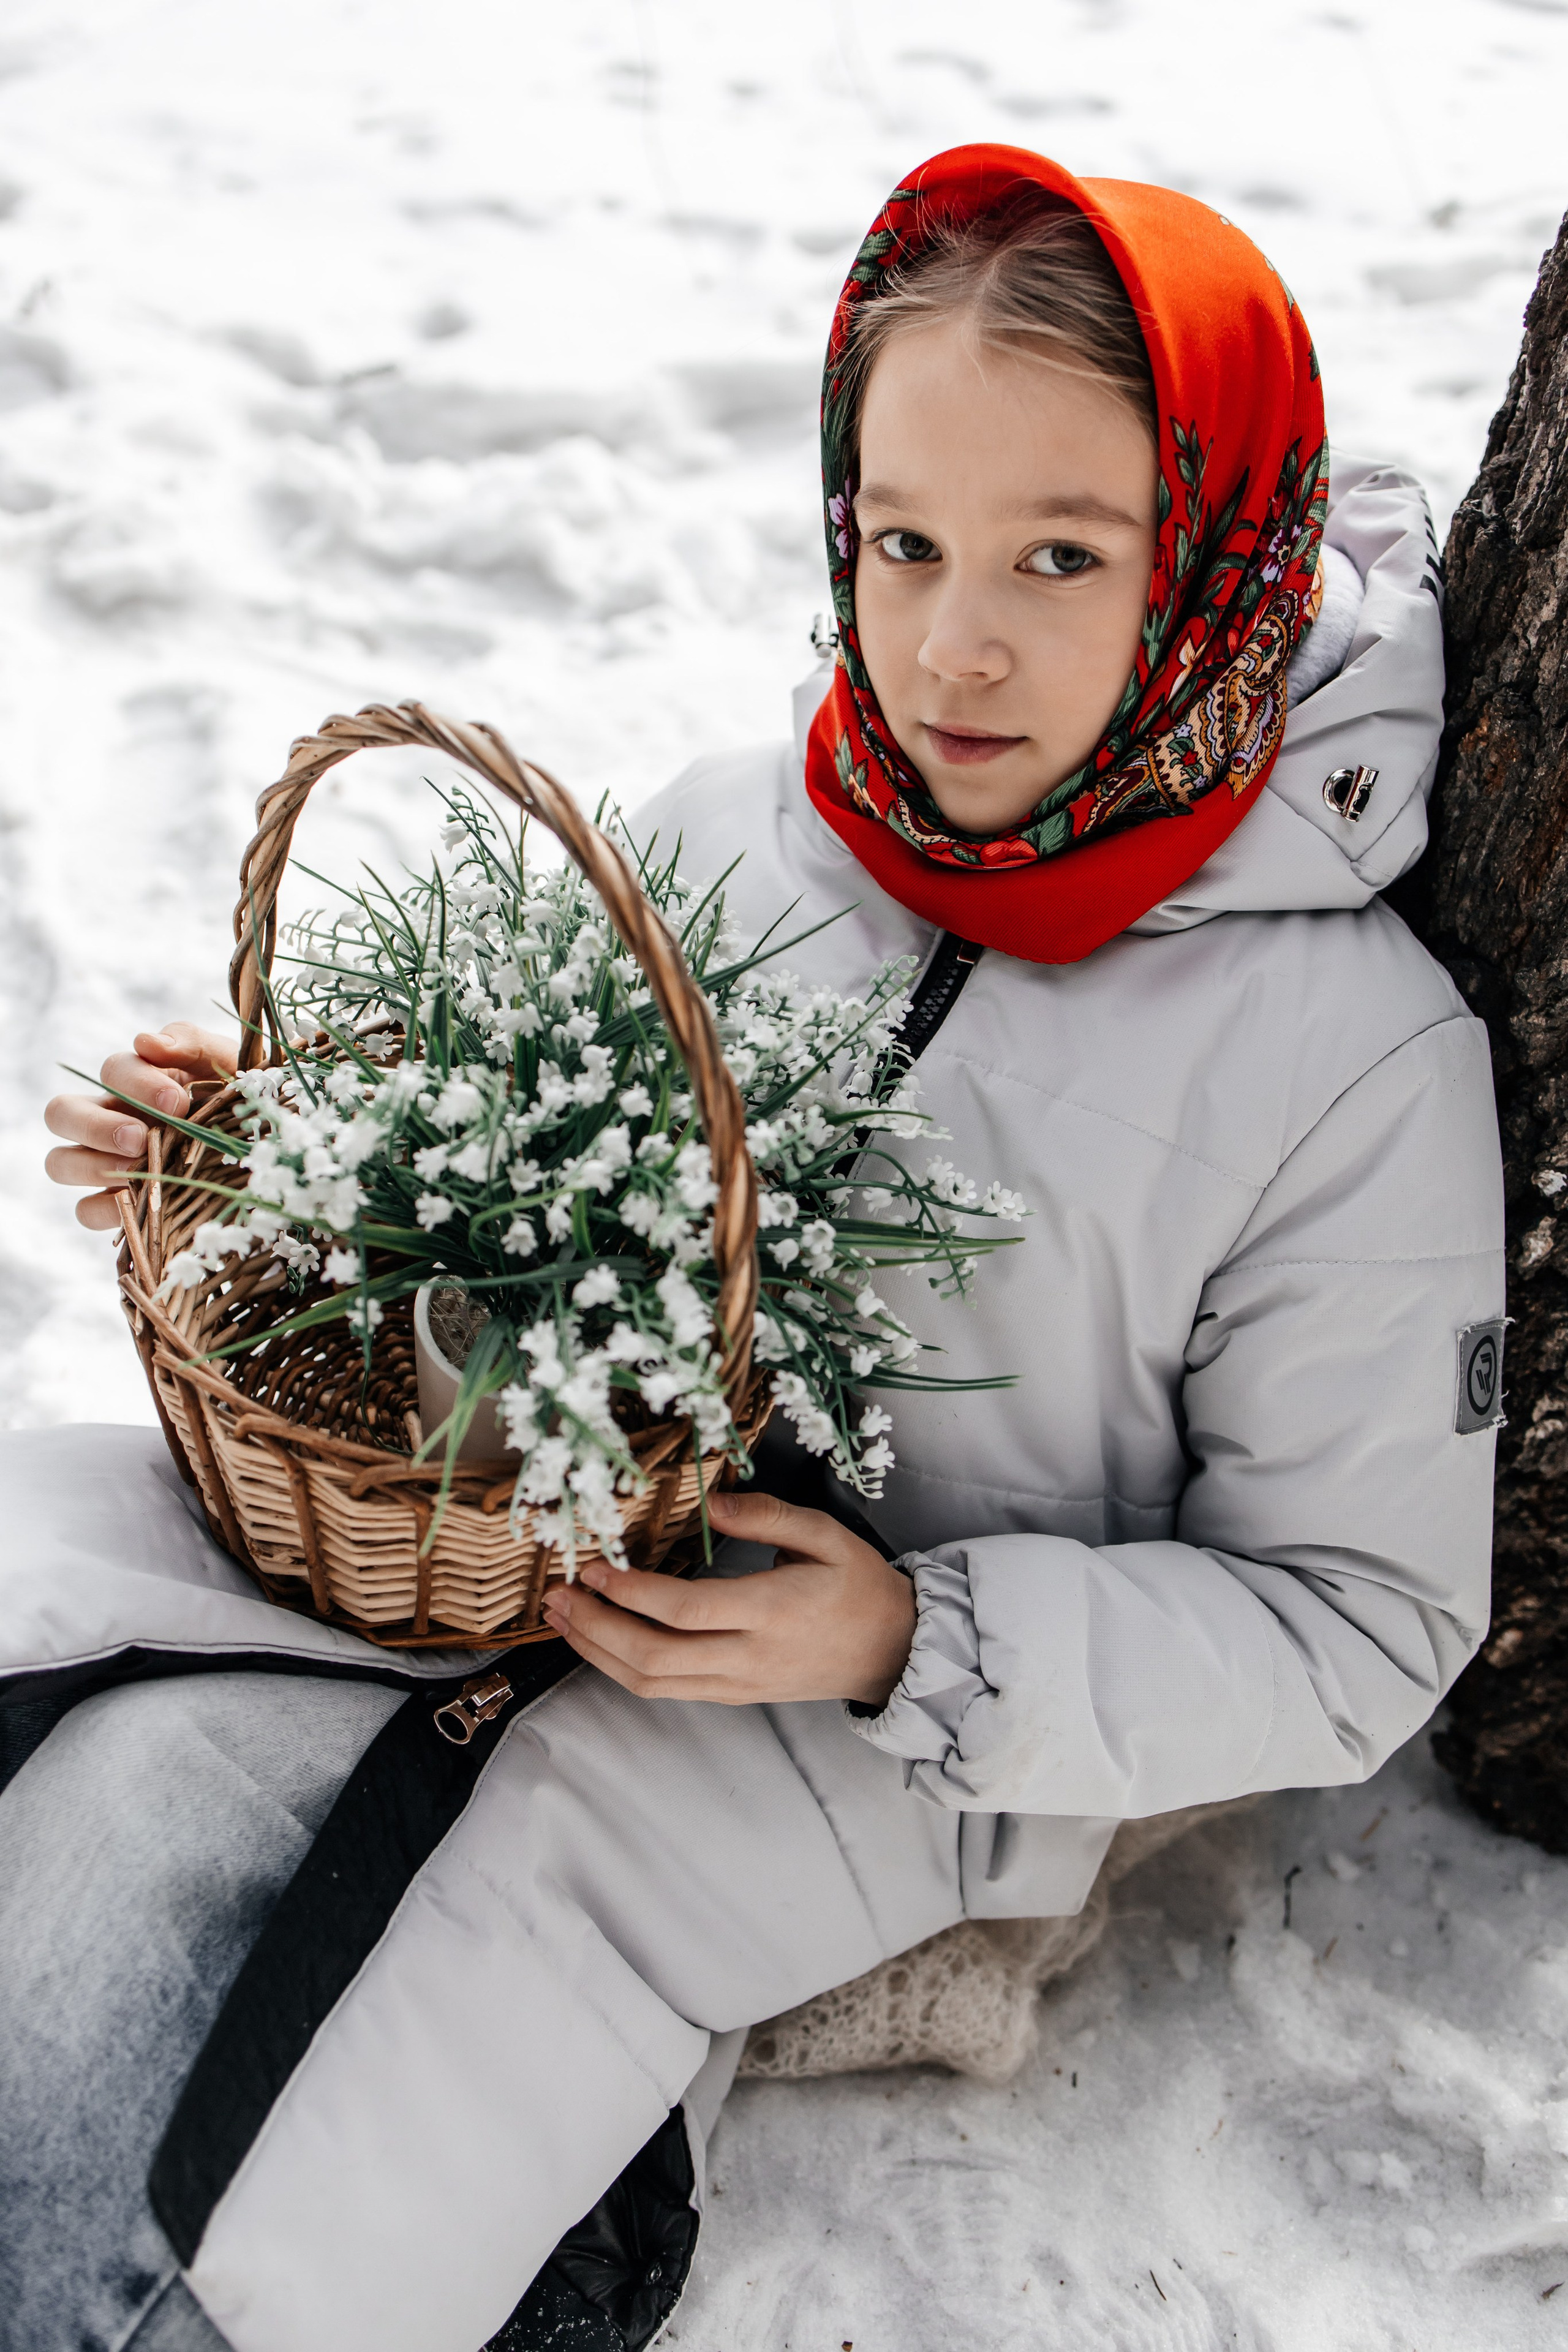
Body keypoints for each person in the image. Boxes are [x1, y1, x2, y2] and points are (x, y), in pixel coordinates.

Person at [7, 144, 1503, 2352]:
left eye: (1061, 558)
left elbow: (1364, 1618)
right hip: (501, 1531)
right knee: (77, 1708)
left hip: (875, 1730)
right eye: (901, 542)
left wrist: (914, 1643)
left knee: (367, 2035)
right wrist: (284, 1185)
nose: (950, 643)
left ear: (1223, 569)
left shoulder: (1346, 1054)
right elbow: (531, 1186)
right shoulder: (738, 825)